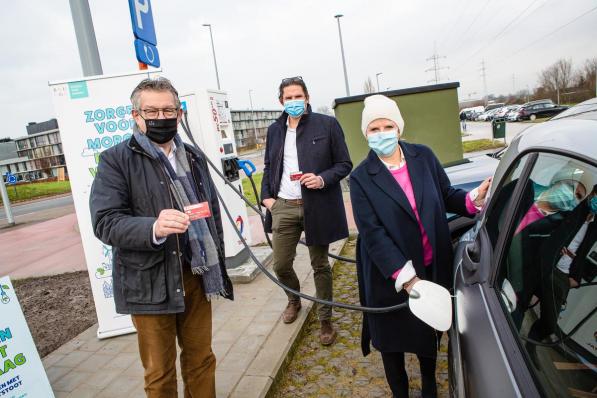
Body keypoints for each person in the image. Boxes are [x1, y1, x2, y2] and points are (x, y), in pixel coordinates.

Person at [90, 77, 232, 397]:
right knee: (159, 373)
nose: (161, 117)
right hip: (149, 282)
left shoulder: (194, 157)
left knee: (201, 360)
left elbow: (211, 214)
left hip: (195, 274)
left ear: (180, 114)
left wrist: (218, 264)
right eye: (151, 111)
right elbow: (105, 222)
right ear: (135, 116)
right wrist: (152, 227)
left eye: (169, 109)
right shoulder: (115, 160)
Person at [349, 94, 490, 398]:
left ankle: (429, 384)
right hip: (390, 275)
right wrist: (406, 277)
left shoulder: (423, 157)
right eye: (374, 129)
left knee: (428, 330)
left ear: (399, 128)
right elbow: (372, 233)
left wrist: (472, 199)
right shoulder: (360, 178)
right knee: (391, 340)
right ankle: (400, 391)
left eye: (388, 126)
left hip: (430, 265)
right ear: (366, 133)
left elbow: (447, 194)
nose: (382, 133)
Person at [261, 76, 352, 345]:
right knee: (280, 264)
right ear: (281, 101)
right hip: (284, 206)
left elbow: (345, 163)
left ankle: (325, 319)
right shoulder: (275, 130)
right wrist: (268, 198)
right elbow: (268, 166)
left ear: (307, 97)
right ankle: (294, 300)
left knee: (320, 265)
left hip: (317, 205)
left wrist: (322, 178)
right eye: (288, 98)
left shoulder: (328, 125)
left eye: (297, 96)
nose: (293, 102)